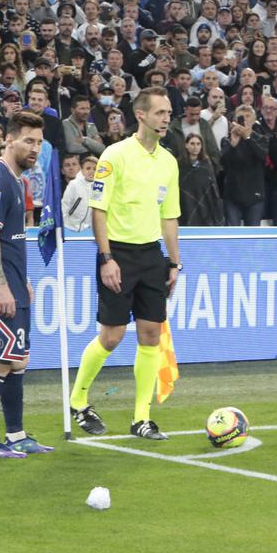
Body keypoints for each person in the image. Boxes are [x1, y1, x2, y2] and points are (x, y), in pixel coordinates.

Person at [69, 86, 181, 441]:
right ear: (141, 115)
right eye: (160, 112)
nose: (166, 118)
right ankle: (78, 398)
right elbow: (97, 210)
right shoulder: (114, 156)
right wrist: (107, 258)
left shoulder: (169, 161)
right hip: (118, 252)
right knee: (112, 336)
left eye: (168, 112)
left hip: (151, 257)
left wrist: (174, 263)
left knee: (151, 336)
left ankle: (141, 418)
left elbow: (169, 217)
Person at [0, 110, 53, 458]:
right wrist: (2, 286)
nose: (34, 148)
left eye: (39, 142)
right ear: (8, 139)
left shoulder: (17, 181)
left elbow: (12, 239)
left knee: (17, 361)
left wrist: (23, 282)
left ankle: (16, 434)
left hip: (15, 286)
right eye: (28, 141)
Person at [221, 105, 267, 226]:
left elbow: (262, 156)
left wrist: (247, 138)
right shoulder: (227, 140)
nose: (244, 120)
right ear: (235, 120)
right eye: (241, 117)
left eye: (248, 116)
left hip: (254, 195)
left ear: (254, 119)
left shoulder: (262, 139)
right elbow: (223, 163)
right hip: (232, 195)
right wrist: (233, 145)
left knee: (252, 236)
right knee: (232, 235)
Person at [61, 155, 96, 231]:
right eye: (88, 168)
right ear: (82, 170)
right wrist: (63, 226)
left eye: (95, 169)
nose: (91, 171)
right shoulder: (74, 184)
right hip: (69, 228)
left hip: (90, 231)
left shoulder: (100, 187)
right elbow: (65, 205)